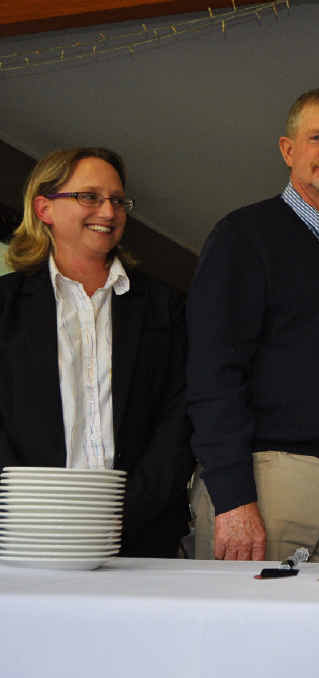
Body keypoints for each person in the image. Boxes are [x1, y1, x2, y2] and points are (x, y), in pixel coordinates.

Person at [187, 89, 319, 562]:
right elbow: (212, 370)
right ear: (288, 150)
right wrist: (234, 497)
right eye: (317, 137)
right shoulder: (243, 237)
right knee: (247, 635)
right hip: (267, 485)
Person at [0, 147, 192, 557]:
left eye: (118, 200)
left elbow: (178, 419)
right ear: (44, 208)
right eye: (90, 197)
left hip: (142, 537)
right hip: (25, 535)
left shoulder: (164, 306)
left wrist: (127, 510)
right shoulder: (6, 306)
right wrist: (32, 507)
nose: (108, 211)